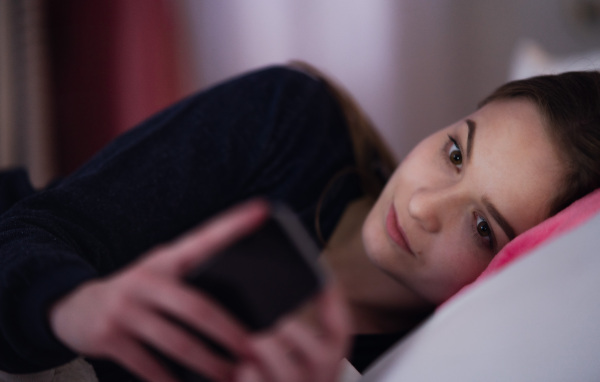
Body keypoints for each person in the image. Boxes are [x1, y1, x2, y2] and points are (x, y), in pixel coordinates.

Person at [0, 63, 599, 381]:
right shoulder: (290, 124)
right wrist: (72, 305)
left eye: (482, 228)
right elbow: (39, 226)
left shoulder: (400, 367)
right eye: (454, 153)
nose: (421, 206)